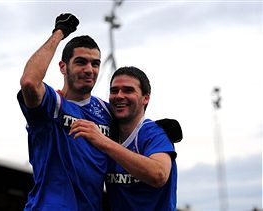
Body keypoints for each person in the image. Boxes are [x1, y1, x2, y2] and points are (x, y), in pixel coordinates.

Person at [17, 13, 114, 211]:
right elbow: (29, 81)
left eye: (95, 64)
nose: (89, 69)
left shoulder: (107, 113)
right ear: (63, 67)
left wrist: (160, 131)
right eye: (81, 62)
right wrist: (59, 33)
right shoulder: (53, 103)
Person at [70, 66, 178, 211]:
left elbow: (159, 175)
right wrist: (64, 98)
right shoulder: (106, 129)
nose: (119, 96)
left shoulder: (154, 133)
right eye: (114, 91)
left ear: (145, 98)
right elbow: (82, 103)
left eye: (128, 90)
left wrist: (104, 142)